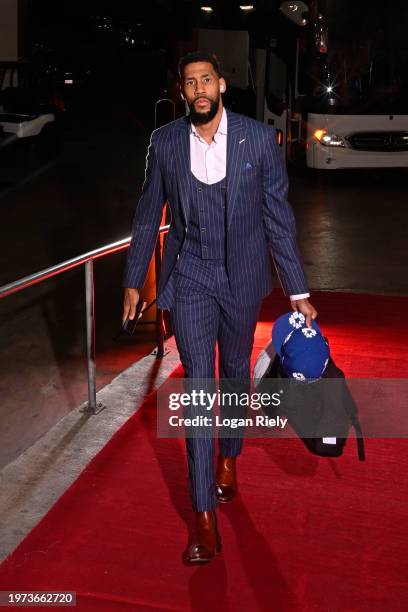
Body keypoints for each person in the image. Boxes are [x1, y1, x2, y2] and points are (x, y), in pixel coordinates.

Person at [122, 51, 317, 564]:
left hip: (244, 278)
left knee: (233, 374)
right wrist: (132, 281)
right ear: (183, 93)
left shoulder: (258, 138)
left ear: (222, 85)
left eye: (206, 79)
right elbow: (147, 217)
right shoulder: (164, 144)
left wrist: (298, 290)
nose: (199, 88)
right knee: (199, 388)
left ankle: (230, 454)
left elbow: (279, 218)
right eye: (189, 82)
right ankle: (203, 513)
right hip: (190, 276)